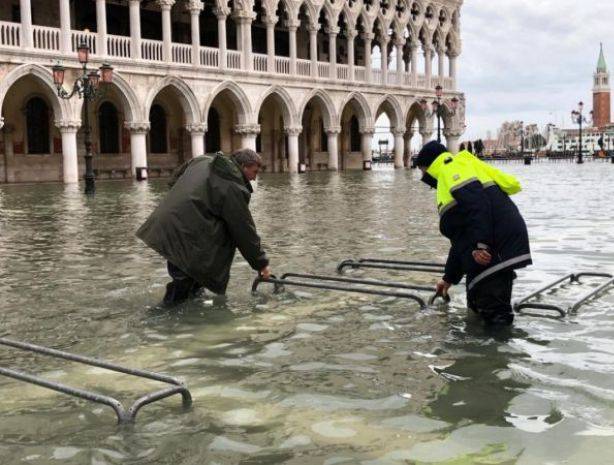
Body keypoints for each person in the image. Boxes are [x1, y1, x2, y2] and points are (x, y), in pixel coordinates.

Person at [415, 141, 532, 326]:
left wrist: (481, 245)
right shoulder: (452, 173)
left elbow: (478, 204)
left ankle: (497, 351)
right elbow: (461, 239)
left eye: (422, 171)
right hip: (489, 250)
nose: (423, 177)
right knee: (478, 307)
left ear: (430, 166)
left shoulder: (450, 170)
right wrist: (448, 279)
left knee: (495, 317)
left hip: (492, 250)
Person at [137, 149, 271, 305]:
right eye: (254, 172)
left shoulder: (204, 159)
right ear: (243, 166)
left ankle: (184, 317)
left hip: (168, 223)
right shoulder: (233, 185)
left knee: (191, 280)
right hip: (184, 233)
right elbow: (243, 230)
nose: (254, 178)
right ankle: (163, 319)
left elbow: (174, 180)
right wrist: (261, 264)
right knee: (183, 284)